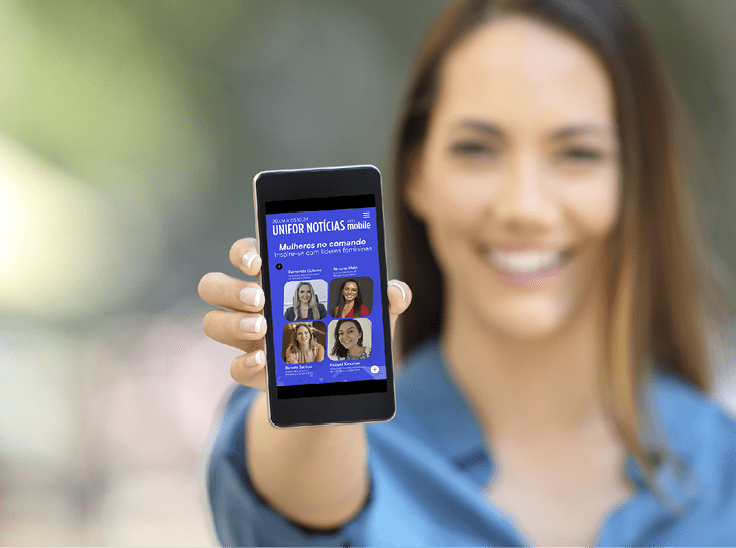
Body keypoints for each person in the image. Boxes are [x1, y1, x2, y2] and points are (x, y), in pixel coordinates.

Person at [198, 0, 736, 545]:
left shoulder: (723, 467)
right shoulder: (343, 447)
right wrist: (315, 389)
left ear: (635, 183)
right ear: (415, 174)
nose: (524, 206)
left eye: (578, 153)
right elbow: (300, 496)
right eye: (476, 149)